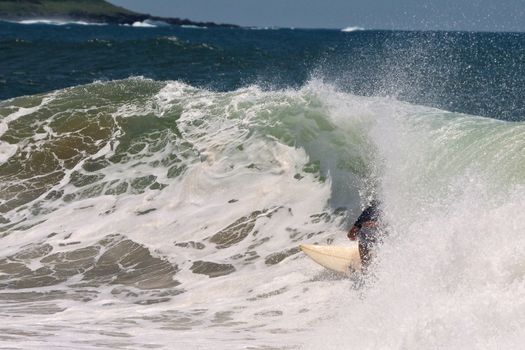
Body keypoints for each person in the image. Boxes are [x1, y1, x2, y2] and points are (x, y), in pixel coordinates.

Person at [347, 200, 381, 269]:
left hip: (369, 240)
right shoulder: (389, 213)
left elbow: (351, 234)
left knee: (363, 240)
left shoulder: (367, 213)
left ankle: (365, 267)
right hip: (383, 241)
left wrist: (352, 236)